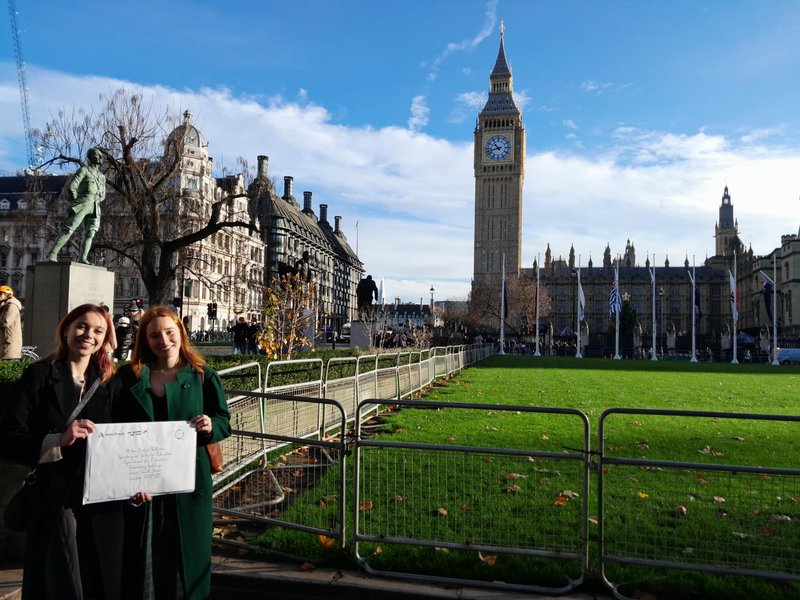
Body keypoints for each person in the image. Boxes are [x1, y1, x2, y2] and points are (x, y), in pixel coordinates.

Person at [0, 303, 122, 599]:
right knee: (58, 578)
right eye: (81, 326)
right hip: (54, 498)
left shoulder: (111, 380)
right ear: (66, 329)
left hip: (98, 499)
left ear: (105, 339)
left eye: (98, 330)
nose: (87, 335)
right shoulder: (39, 375)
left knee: (95, 577)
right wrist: (57, 440)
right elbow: (7, 437)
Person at [113, 306, 231, 600]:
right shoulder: (131, 375)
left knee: (185, 557)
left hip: (188, 481)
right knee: (145, 557)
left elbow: (223, 420)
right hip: (143, 481)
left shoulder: (203, 374)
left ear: (181, 333)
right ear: (145, 339)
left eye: (169, 332)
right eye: (154, 335)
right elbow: (115, 422)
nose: (163, 340)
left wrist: (210, 425)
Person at [47, 147, 107, 264]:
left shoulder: (102, 177)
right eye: (97, 155)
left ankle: (82, 258)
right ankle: (52, 254)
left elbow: (103, 194)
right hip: (83, 202)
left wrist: (99, 199)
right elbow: (72, 187)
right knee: (69, 229)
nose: (100, 157)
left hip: (95, 206)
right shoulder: (84, 170)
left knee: (90, 233)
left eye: (101, 155)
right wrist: (76, 202)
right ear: (90, 158)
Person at [0, 284, 22, 360]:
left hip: (9, 343)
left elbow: (5, 322)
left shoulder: (12, 306)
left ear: (7, 295)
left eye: (1, 294)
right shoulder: (5, 306)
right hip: (5, 342)